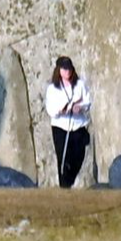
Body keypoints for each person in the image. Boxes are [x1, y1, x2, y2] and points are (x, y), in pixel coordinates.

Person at [43, 56, 92, 188]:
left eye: (69, 69)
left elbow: (87, 101)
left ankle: (69, 182)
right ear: (59, 70)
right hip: (60, 126)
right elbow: (50, 109)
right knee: (63, 158)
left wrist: (79, 107)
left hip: (78, 125)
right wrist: (60, 110)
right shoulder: (53, 88)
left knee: (78, 156)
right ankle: (64, 185)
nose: (67, 72)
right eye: (64, 69)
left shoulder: (80, 84)